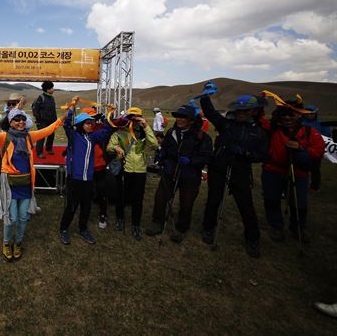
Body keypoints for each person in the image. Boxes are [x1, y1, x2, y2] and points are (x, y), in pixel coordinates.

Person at [0, 107, 63, 262]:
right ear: (10, 122)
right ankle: (6, 243)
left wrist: (62, 119)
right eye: (17, 119)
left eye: (23, 119)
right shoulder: (4, 137)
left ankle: (17, 243)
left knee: (23, 217)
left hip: (25, 184)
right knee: (11, 218)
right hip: (9, 184)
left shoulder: (29, 136)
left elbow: (48, 130)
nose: (21, 122)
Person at [199, 92, 268, 257]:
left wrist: (246, 154)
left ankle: (252, 239)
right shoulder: (226, 124)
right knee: (213, 199)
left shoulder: (260, 131)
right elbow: (210, 113)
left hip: (241, 170)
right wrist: (205, 97)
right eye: (239, 110)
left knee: (246, 205)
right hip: (219, 167)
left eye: (246, 110)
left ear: (254, 111)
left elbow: (263, 155)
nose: (241, 113)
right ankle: (208, 228)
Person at [59, 98, 123, 245]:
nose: (90, 125)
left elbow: (107, 130)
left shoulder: (92, 137)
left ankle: (83, 229)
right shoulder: (73, 136)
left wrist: (110, 115)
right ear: (81, 124)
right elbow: (67, 124)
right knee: (72, 206)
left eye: (91, 123)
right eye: (87, 123)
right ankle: (63, 229)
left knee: (86, 206)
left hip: (88, 178)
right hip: (75, 178)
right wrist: (70, 110)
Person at [145, 104, 213, 243]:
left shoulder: (201, 137)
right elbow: (165, 148)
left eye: (183, 117)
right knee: (160, 198)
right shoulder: (171, 132)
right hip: (170, 171)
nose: (179, 119)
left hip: (190, 175)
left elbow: (207, 157)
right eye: (178, 116)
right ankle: (157, 223)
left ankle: (181, 229)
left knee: (186, 203)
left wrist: (191, 161)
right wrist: (162, 157)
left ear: (191, 120)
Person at [261, 98, 324, 243]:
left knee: (299, 203)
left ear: (299, 115)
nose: (287, 117)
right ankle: (276, 226)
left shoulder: (310, 132)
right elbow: (258, 119)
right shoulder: (272, 129)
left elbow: (318, 151)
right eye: (284, 114)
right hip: (273, 170)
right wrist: (262, 102)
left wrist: (301, 149)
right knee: (271, 200)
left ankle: (298, 228)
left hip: (298, 173)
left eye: (292, 114)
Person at [107, 107, 158, 240]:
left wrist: (146, 126)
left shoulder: (144, 133)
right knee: (121, 196)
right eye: (131, 117)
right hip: (125, 169)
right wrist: (116, 147)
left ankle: (136, 224)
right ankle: (120, 219)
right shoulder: (121, 132)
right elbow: (109, 146)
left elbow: (154, 144)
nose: (134, 121)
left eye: (137, 117)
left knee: (138, 199)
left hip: (140, 170)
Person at [301, 105, 331, 194]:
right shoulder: (299, 122)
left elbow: (327, 135)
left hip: (316, 149)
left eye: (312, 114)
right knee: (302, 168)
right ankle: (302, 184)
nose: (310, 115)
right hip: (302, 149)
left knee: (315, 169)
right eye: (308, 114)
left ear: (315, 114)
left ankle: (315, 187)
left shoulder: (321, 123)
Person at [32, 81, 57, 158]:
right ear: (47, 89)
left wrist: (55, 120)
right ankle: (39, 153)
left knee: (51, 135)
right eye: (52, 88)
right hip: (42, 122)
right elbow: (35, 109)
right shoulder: (40, 98)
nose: (53, 89)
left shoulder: (52, 98)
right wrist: (39, 120)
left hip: (52, 121)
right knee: (41, 137)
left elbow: (53, 110)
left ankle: (49, 149)